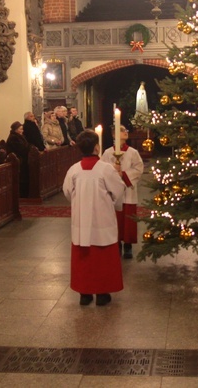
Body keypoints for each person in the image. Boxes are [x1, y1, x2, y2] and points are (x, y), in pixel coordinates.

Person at [63, 130, 126, 306]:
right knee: (102, 259)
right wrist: (118, 178)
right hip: (102, 221)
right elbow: (118, 191)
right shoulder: (106, 168)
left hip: (81, 223)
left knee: (83, 258)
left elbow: (67, 192)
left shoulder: (73, 169)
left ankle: (85, 294)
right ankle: (102, 294)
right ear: (97, 147)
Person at [100, 125, 144, 259]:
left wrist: (123, 175)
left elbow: (138, 169)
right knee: (116, 218)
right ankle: (116, 243)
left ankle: (128, 245)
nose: (126, 132)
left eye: (126, 130)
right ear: (114, 135)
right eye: (122, 130)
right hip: (114, 192)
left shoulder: (133, 152)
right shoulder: (107, 153)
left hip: (128, 191)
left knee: (128, 219)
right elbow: (102, 169)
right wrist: (113, 174)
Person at [6, 121, 32, 197]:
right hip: (18, 160)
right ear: (16, 129)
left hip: (22, 159)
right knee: (21, 177)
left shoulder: (20, 136)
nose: (22, 131)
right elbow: (20, 149)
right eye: (20, 129)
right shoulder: (13, 138)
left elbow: (26, 145)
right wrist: (29, 148)